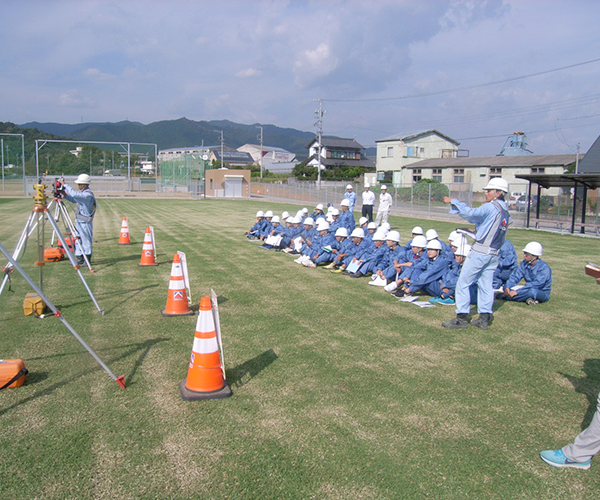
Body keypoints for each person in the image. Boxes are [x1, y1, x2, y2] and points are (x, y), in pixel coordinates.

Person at [441, 177, 511, 330]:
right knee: (485, 285)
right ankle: (484, 318)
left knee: (463, 283)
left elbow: (471, 214)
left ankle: (461, 318)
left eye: (489, 191)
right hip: (493, 253)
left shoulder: (491, 207)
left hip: (480, 251)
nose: (486, 193)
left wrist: (454, 201)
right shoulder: (505, 210)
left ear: (498, 193)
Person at [62, 173, 96, 266]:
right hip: (79, 221)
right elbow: (73, 199)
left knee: (86, 241)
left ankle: (87, 260)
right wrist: (64, 194)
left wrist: (65, 185)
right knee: (78, 240)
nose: (78, 186)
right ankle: (79, 258)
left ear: (85, 184)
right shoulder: (82, 194)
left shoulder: (87, 195)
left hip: (85, 222)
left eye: (80, 184)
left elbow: (75, 195)